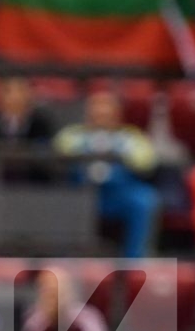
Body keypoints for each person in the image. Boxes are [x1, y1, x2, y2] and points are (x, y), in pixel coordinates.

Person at [51, 91, 159, 259]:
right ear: (88, 113)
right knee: (57, 199)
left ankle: (135, 262)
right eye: (97, 109)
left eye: (107, 109)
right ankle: (65, 260)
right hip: (81, 192)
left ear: (117, 113)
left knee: (145, 200)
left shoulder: (131, 137)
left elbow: (146, 161)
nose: (102, 114)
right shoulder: (73, 135)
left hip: (118, 194)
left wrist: (123, 153)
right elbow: (59, 153)